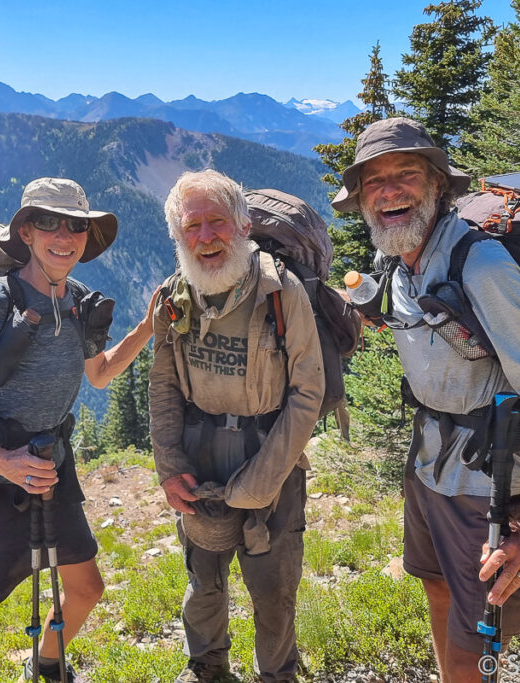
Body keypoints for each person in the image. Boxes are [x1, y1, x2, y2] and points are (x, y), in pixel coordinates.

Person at [331, 118, 520, 682]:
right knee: (436, 584)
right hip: (428, 462)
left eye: (407, 175)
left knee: (477, 639)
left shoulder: (483, 265)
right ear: (362, 199)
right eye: (374, 181)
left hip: (484, 479)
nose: (389, 189)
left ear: (439, 186)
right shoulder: (400, 258)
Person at [0, 177, 158, 683]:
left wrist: (145, 328)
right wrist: (2, 460)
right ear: (26, 232)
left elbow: (97, 374)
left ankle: (46, 663)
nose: (64, 235)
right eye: (48, 222)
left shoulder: (78, 302)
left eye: (75, 225)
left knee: (86, 589)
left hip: (52, 470)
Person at [149, 170, 324, 683]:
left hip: (272, 456)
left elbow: (307, 393)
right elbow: (162, 387)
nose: (206, 238)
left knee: (273, 588)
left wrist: (260, 482)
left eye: (217, 222)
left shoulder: (280, 292)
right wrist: (169, 467)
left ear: (243, 225)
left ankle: (277, 675)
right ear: (178, 236)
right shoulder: (173, 297)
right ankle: (206, 670)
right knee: (202, 583)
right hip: (197, 462)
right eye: (192, 227)